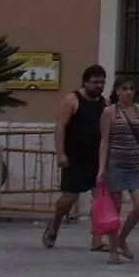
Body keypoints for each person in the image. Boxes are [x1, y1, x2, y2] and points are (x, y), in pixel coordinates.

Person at [44, 65, 107, 250]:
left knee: (99, 200)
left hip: (96, 158)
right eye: (95, 82)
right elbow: (60, 127)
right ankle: (55, 222)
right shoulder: (72, 100)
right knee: (69, 198)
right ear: (85, 82)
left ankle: (97, 241)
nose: (99, 86)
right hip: (74, 158)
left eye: (102, 82)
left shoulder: (103, 103)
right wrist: (61, 153)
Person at [97, 76, 139, 263]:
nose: (128, 92)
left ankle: (122, 238)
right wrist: (101, 169)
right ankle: (113, 250)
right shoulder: (109, 112)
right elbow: (104, 141)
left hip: (134, 162)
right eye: (124, 88)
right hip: (115, 163)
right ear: (117, 91)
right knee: (115, 208)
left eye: (131, 88)